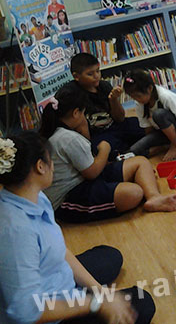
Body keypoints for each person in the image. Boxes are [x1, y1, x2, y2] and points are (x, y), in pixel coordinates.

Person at [0, 132, 156, 324]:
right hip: (48, 314)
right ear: (40, 166)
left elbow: (59, 249)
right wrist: (95, 304)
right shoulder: (15, 230)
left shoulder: (35, 196)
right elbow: (27, 312)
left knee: (111, 257)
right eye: (51, 160)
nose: (53, 166)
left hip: (56, 280)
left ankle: (82, 292)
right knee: (143, 304)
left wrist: (99, 291)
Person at [40, 85, 176, 223]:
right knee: (135, 193)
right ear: (76, 113)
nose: (85, 118)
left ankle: (154, 197)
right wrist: (105, 149)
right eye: (83, 114)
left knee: (141, 162)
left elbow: (89, 159)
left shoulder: (62, 131)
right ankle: (142, 189)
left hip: (83, 179)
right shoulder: (67, 138)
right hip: (69, 197)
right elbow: (92, 172)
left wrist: (84, 127)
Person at [64, 53, 145, 157]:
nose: (96, 76)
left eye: (98, 71)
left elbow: (120, 118)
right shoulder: (71, 93)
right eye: (90, 74)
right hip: (97, 135)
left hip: (115, 126)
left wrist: (113, 100)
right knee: (105, 149)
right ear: (76, 76)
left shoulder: (104, 86)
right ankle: (131, 151)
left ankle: (130, 151)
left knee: (143, 126)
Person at [124, 69, 176, 162]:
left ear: (150, 88)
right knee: (134, 150)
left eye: (138, 96)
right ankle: (168, 144)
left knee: (159, 114)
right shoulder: (140, 103)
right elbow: (147, 128)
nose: (136, 100)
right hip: (164, 131)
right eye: (133, 97)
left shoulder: (166, 96)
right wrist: (152, 142)